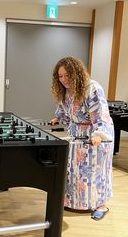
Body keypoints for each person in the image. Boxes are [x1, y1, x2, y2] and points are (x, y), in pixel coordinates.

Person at [50, 56, 114, 221]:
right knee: (74, 172)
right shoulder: (67, 91)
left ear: (76, 72)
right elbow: (65, 110)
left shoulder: (92, 87)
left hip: (94, 135)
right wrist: (58, 118)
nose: (64, 79)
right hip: (76, 135)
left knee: (95, 173)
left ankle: (101, 205)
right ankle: (74, 202)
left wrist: (99, 134)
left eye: (67, 75)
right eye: (60, 76)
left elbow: (101, 113)